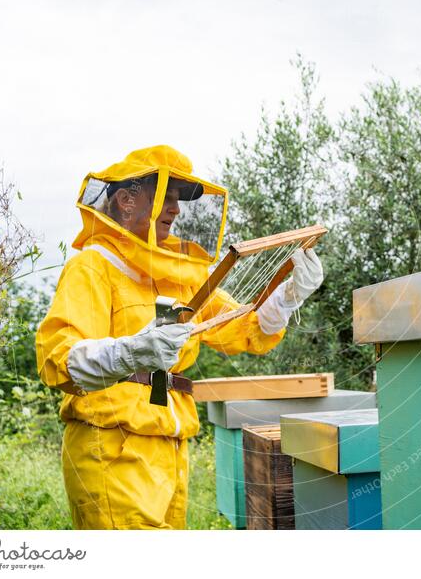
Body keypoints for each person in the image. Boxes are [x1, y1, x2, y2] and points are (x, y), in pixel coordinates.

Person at [35, 145, 323, 529]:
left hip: (172, 447)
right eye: (165, 198)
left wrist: (288, 296)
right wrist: (130, 352)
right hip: (111, 446)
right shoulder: (93, 266)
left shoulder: (180, 277)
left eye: (178, 200)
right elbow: (58, 358)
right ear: (125, 200)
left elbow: (245, 329)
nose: (176, 209)